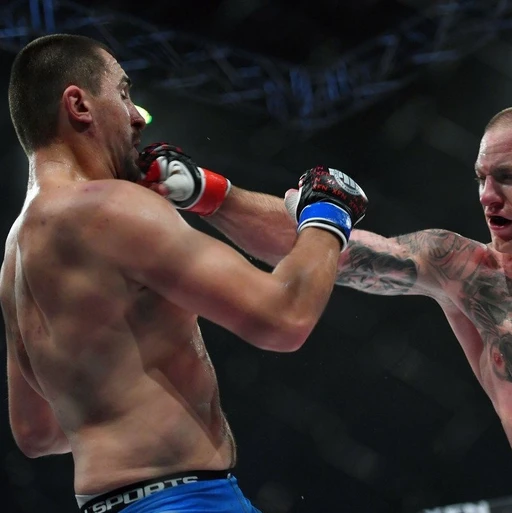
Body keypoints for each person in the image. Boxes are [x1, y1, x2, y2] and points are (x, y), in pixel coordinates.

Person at [143, 104, 512, 512]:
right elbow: (328, 251)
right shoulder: (465, 273)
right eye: (480, 178)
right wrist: (207, 192)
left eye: (508, 177)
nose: (487, 196)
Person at [1, 34, 367, 513]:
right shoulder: (110, 207)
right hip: (185, 500)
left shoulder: (14, 255)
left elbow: (37, 432)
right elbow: (284, 319)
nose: (137, 116)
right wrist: (328, 215)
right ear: (79, 104)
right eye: (124, 93)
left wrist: (114, 406)